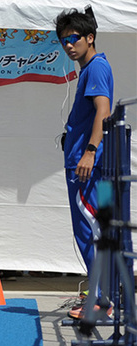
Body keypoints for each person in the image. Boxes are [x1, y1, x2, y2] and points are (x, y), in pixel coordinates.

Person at [54, 9, 113, 319]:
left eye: (73, 38)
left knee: (90, 230)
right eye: (63, 40)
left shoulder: (96, 68)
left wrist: (90, 150)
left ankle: (102, 302)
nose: (68, 45)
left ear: (90, 37)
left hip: (87, 165)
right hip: (81, 163)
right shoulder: (88, 69)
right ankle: (99, 296)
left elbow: (103, 111)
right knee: (89, 230)